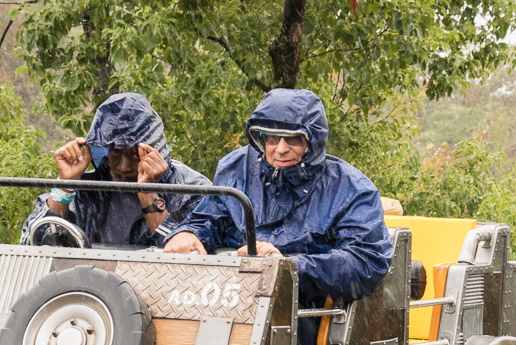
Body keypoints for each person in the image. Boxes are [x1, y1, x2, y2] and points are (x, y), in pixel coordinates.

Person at [163, 88, 392, 304]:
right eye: (271, 138)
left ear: (313, 141)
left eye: (292, 139)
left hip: (304, 305)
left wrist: (289, 267)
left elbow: (366, 262)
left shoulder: (351, 188)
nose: (280, 149)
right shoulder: (237, 169)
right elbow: (209, 217)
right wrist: (188, 232)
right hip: (229, 296)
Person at [20, 93, 209, 248]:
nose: (123, 167)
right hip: (93, 289)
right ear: (105, 150)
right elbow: (31, 244)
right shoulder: (89, 189)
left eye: (135, 154)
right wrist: (65, 186)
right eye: (116, 153)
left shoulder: (190, 189)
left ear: (153, 148)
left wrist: (149, 196)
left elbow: (191, 254)